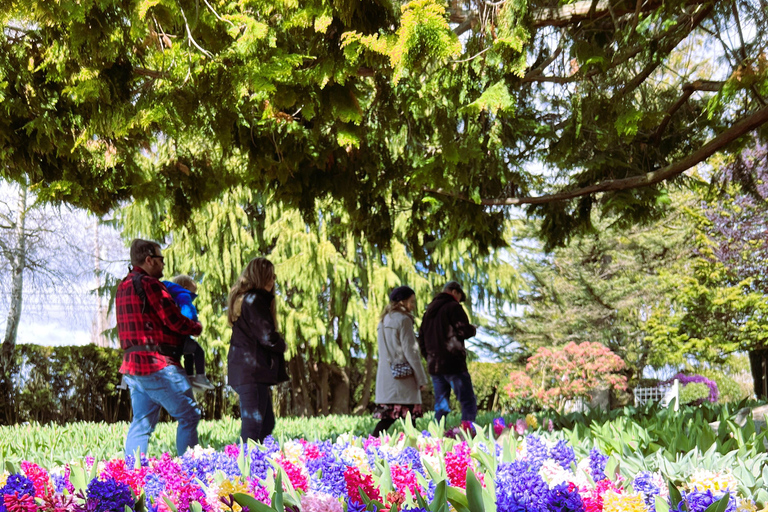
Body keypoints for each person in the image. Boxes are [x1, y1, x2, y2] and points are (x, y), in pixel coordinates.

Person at [117, 239, 203, 458]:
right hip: (157, 364)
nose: (163, 265)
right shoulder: (150, 284)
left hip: (133, 367)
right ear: (149, 260)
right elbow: (173, 319)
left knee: (142, 423)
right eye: (160, 259)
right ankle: (191, 471)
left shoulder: (123, 287)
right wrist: (195, 327)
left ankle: (133, 476)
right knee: (190, 415)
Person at [227, 257, 289, 443]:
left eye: (274, 276)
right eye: (269, 276)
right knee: (253, 426)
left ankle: (257, 464)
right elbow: (267, 336)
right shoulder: (254, 300)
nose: (273, 281)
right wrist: (282, 345)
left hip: (248, 371)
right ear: (260, 277)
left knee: (266, 423)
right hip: (252, 372)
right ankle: (245, 467)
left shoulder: (245, 299)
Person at [418, 281, 478, 424]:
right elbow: (463, 330)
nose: (459, 300)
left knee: (441, 406)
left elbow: (421, 339)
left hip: (435, 366)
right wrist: (473, 329)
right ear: (455, 292)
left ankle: (437, 439)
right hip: (453, 364)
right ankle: (468, 435)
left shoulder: (428, 313)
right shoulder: (454, 307)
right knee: (468, 401)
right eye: (459, 296)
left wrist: (430, 357)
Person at [373, 286, 429, 437]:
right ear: (402, 302)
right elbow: (411, 352)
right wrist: (421, 379)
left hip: (387, 379)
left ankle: (370, 444)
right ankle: (418, 449)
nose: (413, 306)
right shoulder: (404, 320)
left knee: (387, 419)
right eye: (411, 301)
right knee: (409, 420)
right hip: (403, 380)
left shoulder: (383, 321)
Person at [162, 275, 214, 392]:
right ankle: (200, 376)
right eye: (193, 292)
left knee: (189, 354)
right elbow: (188, 311)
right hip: (181, 336)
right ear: (185, 287)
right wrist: (195, 323)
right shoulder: (184, 294)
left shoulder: (170, 297)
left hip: (172, 336)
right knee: (199, 351)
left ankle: (190, 377)